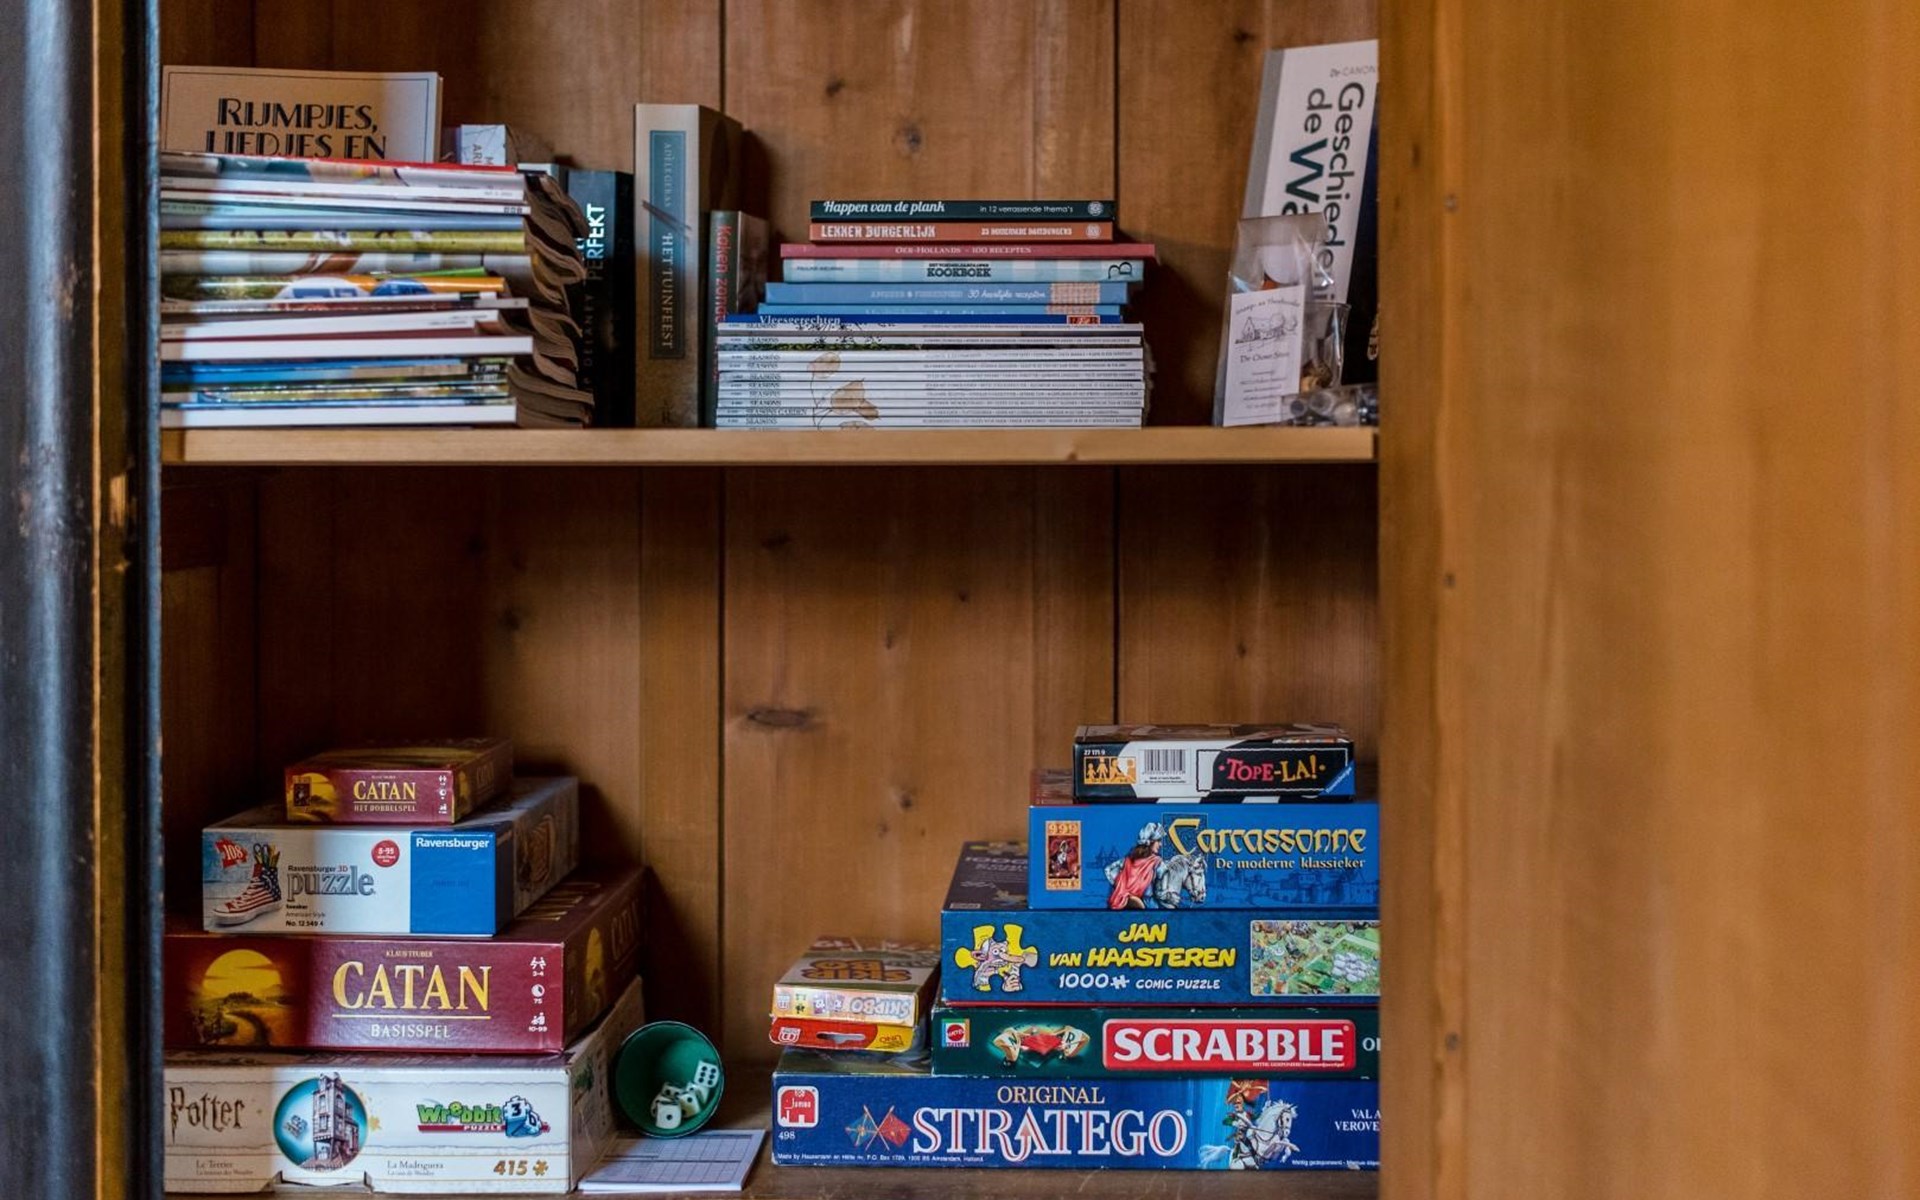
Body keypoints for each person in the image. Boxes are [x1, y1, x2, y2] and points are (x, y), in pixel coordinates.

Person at [1105, 821, 1168, 909]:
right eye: (1158, 841)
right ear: (1150, 842)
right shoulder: (1127, 861)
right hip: (1147, 907)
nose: (1160, 844)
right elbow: (1108, 870)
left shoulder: (1157, 862)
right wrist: (1121, 887)